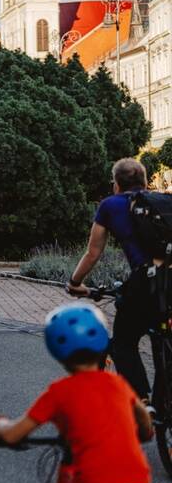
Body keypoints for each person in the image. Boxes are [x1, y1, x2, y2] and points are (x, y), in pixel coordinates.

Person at [0, 302, 152, 483]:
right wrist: (144, 432)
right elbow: (143, 419)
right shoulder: (118, 384)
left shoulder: (59, 392)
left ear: (57, 351)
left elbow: (13, 434)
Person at [67, 158, 154, 402]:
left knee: (124, 343)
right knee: (162, 334)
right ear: (145, 182)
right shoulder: (162, 203)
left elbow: (93, 253)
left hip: (145, 280)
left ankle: (142, 401)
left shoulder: (110, 205)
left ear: (116, 184)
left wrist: (75, 282)